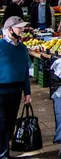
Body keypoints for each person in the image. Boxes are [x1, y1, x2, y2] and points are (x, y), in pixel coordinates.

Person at [0, 17, 32, 159]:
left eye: (23, 27)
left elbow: (25, 71)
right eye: (19, 27)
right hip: (1, 91)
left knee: (10, 124)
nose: (22, 30)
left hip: (16, 91)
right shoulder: (1, 46)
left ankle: (5, 153)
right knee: (1, 123)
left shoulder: (22, 48)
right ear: (9, 30)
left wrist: (27, 92)